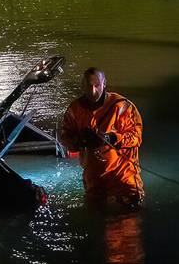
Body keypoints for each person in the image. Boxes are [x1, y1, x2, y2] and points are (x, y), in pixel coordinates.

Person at [60, 67, 144, 208]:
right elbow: (65, 138)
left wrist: (111, 138)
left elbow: (136, 137)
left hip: (123, 177)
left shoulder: (121, 106)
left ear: (104, 84)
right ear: (82, 86)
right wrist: (80, 141)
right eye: (89, 86)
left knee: (130, 217)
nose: (93, 91)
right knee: (95, 216)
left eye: (97, 85)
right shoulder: (74, 109)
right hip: (94, 179)